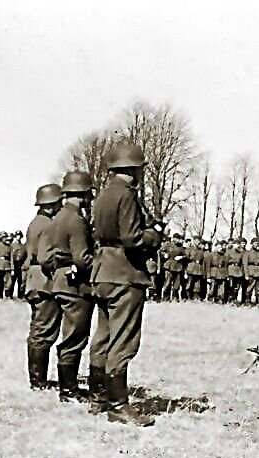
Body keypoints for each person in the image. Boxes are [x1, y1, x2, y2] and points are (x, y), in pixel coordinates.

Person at [88, 142, 160, 426]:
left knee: (103, 337)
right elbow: (132, 239)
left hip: (103, 272)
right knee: (123, 340)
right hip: (125, 274)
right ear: (133, 169)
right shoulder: (127, 195)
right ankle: (118, 405)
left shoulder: (103, 195)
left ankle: (98, 398)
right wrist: (153, 236)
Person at [41, 171, 96, 401]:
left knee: (69, 336)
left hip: (59, 280)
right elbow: (82, 258)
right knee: (75, 338)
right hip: (75, 285)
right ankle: (69, 391)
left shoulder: (57, 218)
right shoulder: (76, 220)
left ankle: (68, 387)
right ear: (83, 194)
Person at [24, 184, 63, 389]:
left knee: (40, 330)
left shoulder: (37, 222)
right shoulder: (47, 225)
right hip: (45, 280)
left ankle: (38, 379)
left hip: (36, 279)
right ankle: (38, 381)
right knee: (43, 331)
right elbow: (46, 257)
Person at [161, 233, 186, 302]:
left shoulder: (180, 247)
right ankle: (166, 297)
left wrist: (181, 257)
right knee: (167, 283)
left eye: (179, 239)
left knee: (176, 284)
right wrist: (165, 255)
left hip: (178, 267)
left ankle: (175, 297)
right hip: (169, 266)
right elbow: (161, 251)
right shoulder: (167, 244)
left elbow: (185, 255)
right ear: (174, 238)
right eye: (177, 239)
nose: (178, 240)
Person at [9, 231, 27, 299]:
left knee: (20, 281)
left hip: (21, 264)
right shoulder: (12, 246)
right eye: (17, 236)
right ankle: (10, 295)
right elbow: (10, 257)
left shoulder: (23, 246)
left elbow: (25, 256)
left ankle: (20, 296)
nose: (18, 237)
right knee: (12, 281)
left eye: (19, 236)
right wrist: (12, 268)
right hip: (14, 264)